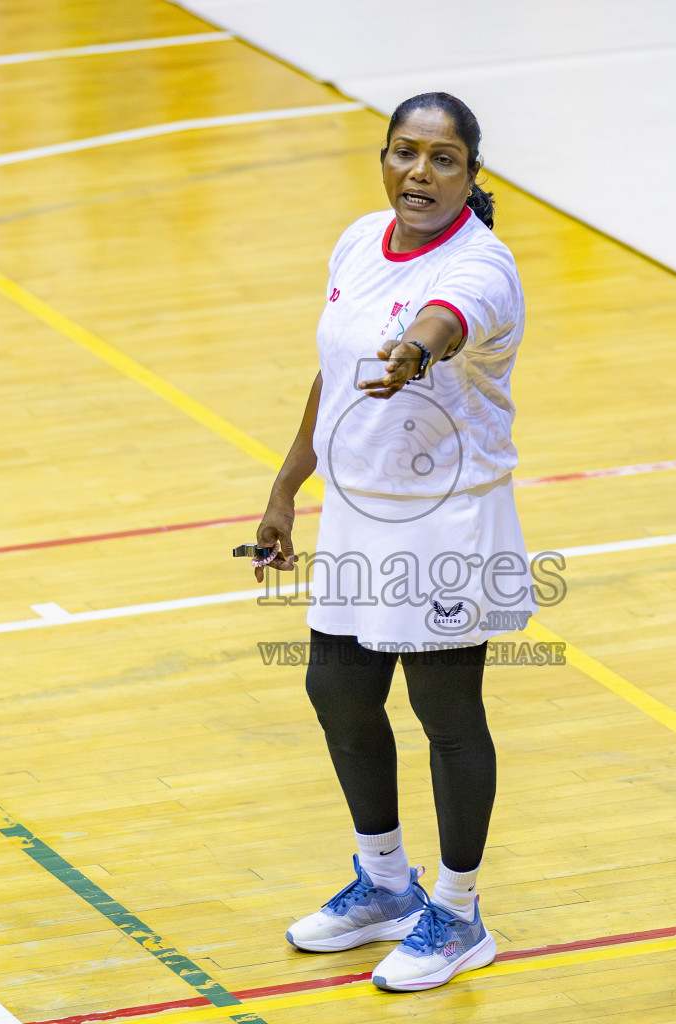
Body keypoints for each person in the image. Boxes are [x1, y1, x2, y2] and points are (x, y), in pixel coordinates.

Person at [252, 91, 535, 992]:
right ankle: (384, 886)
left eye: (442, 159)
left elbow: (443, 322)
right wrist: (285, 487)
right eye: (405, 153)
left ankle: (458, 911)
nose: (419, 173)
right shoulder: (356, 240)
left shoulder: (484, 267)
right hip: (356, 511)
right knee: (336, 690)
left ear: (471, 175)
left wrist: (414, 352)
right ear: (384, 157)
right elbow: (333, 371)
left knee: (447, 719)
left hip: (447, 522)